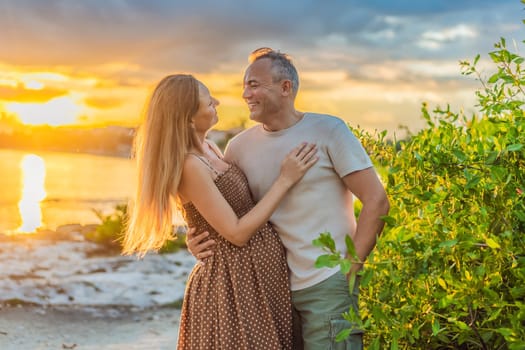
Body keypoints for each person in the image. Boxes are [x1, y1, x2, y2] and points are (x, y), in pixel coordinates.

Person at [187, 48, 390, 349]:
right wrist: (196, 239)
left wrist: (351, 268)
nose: (245, 94)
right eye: (244, 85)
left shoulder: (329, 130)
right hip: (269, 290)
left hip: (325, 284)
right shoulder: (238, 147)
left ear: (286, 88)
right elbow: (230, 215)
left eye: (254, 84)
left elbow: (376, 200)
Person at [122, 74, 319, 350]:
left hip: (257, 281)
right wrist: (286, 180)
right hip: (232, 288)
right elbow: (236, 233)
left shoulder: (210, 148)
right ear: (189, 117)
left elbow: (220, 213)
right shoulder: (190, 166)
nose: (216, 102)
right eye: (207, 100)